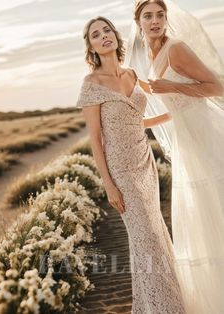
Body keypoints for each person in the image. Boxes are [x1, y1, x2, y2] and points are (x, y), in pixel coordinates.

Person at [76, 16, 186, 313]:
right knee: (146, 237)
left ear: (115, 35)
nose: (103, 36)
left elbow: (136, 120)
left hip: (144, 162)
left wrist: (175, 115)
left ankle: (154, 305)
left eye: (107, 30)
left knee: (156, 236)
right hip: (120, 171)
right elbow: (96, 139)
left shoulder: (133, 75)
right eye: (96, 35)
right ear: (92, 47)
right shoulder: (92, 84)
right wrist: (108, 184)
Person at [125, 0, 224, 313]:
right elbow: (174, 108)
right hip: (187, 144)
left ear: (166, 18)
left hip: (206, 139)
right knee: (202, 212)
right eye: (148, 16)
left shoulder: (176, 48)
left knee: (216, 204)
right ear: (138, 21)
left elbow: (217, 86)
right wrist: (140, 123)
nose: (155, 21)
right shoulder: (153, 55)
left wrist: (171, 86)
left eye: (160, 15)